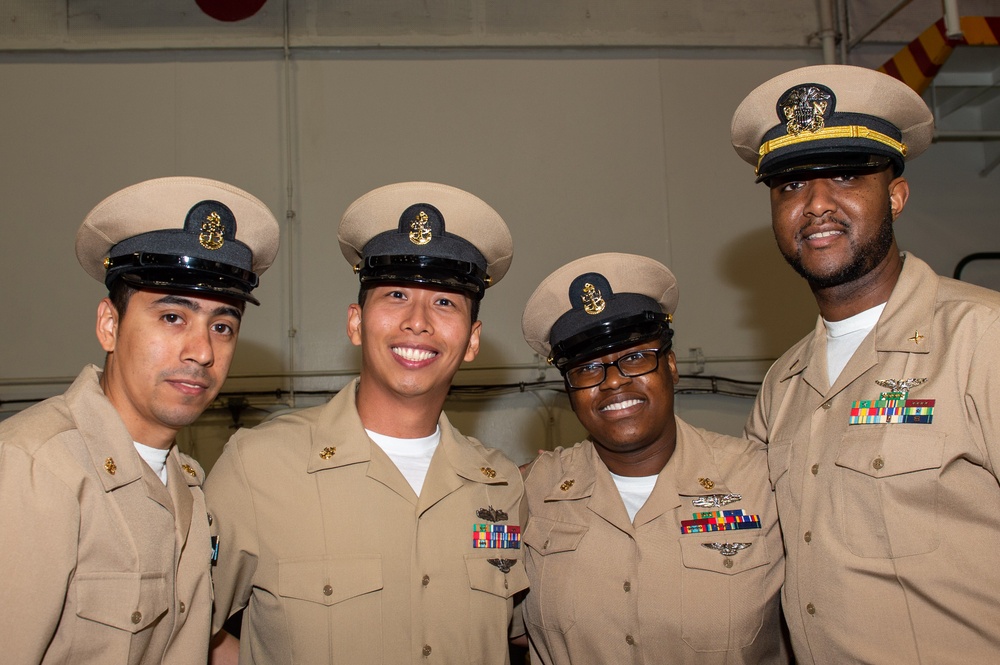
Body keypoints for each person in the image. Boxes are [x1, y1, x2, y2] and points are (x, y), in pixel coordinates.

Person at [732, 64, 1000, 662]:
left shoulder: (983, 340)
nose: (815, 205)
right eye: (790, 186)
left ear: (897, 195)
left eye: (847, 176)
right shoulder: (784, 385)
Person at [205, 181, 527, 664]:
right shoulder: (258, 468)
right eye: (396, 294)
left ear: (473, 339)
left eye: (445, 303)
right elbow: (186, 629)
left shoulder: (501, 488)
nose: (418, 321)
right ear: (356, 322)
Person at [0, 176, 280, 664]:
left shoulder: (186, 481)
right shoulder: (35, 468)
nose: (201, 351)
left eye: (222, 326)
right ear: (110, 325)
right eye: (172, 317)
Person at [519, 253, 787, 664]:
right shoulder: (526, 493)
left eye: (635, 358)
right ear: (570, 391)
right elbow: (487, 619)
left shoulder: (764, 482)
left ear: (672, 366)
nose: (612, 382)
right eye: (588, 368)